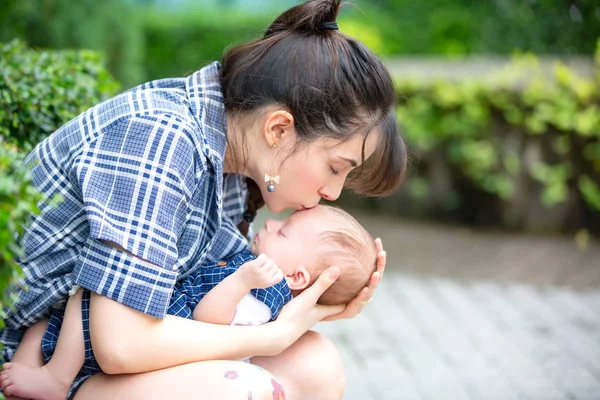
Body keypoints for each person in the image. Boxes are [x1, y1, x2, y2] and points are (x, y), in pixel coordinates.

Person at [0, 0, 408, 398]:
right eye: (337, 167)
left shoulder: (232, 157)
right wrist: (273, 336)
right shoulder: (160, 140)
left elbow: (217, 299)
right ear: (278, 129)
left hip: (94, 352)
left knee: (315, 365)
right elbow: (121, 345)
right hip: (35, 358)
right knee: (242, 389)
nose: (332, 193)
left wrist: (321, 302)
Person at [1, 205, 377, 400]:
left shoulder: (262, 291)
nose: (271, 224)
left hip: (162, 340)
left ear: (296, 277)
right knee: (67, 307)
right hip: (152, 337)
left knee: (86, 292)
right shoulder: (266, 282)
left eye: (284, 230)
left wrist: (242, 280)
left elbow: (210, 318)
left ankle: (56, 378)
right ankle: (32, 368)